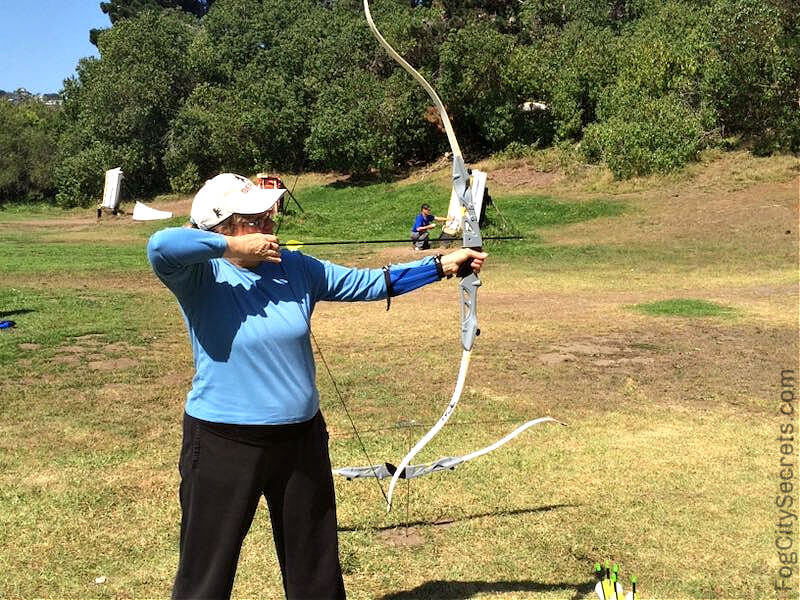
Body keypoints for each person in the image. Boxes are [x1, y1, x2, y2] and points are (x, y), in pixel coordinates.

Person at [146, 173, 487, 600]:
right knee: (206, 572)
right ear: (225, 225)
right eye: (255, 218)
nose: (270, 222)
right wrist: (232, 249)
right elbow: (160, 245)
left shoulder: (295, 267)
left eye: (268, 213)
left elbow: (369, 283)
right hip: (222, 442)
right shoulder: (198, 276)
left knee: (315, 569)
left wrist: (440, 265)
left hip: (300, 439)